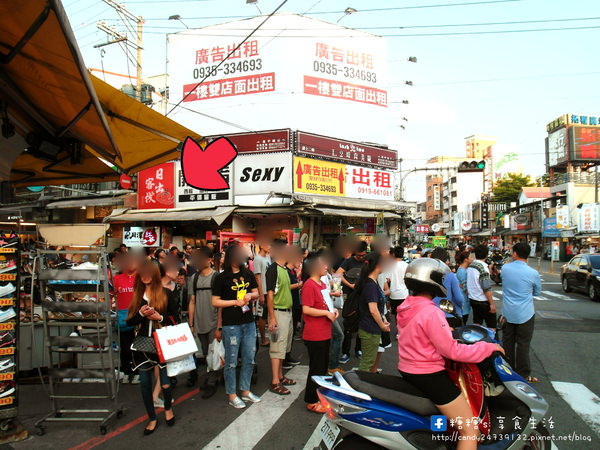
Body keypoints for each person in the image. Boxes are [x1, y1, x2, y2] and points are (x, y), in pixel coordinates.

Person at [397, 258, 504, 450]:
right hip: (429, 375)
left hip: (408, 370)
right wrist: (487, 348)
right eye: (440, 277)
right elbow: (452, 350)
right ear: (432, 280)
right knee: (470, 430)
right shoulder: (430, 312)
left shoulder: (406, 306)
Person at [126, 260, 179, 435]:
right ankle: (152, 418)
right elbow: (129, 322)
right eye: (143, 272)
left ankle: (168, 408)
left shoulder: (166, 294)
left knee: (165, 382)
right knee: (145, 385)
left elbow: (175, 319)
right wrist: (141, 314)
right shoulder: (137, 295)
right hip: (141, 344)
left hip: (162, 342)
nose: (145, 275)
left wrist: (159, 317)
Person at [212, 245, 261, 409]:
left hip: (248, 322)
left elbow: (256, 293)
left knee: (249, 358)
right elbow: (215, 301)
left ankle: (245, 391)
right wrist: (234, 302)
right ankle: (232, 394)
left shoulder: (248, 273)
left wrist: (250, 295)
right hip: (230, 324)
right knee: (231, 361)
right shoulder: (221, 278)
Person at [301, 253, 338, 413]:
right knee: (316, 368)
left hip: (324, 331)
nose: (326, 267)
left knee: (322, 367)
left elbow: (323, 303)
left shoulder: (321, 284)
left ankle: (319, 396)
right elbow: (306, 309)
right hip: (315, 333)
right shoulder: (309, 284)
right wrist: (326, 314)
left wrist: (332, 310)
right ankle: (311, 400)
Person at [501, 242, 541, 383]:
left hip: (508, 313)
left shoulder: (505, 268)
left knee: (508, 342)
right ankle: (523, 375)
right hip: (526, 313)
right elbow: (537, 292)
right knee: (523, 344)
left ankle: (506, 370)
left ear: (515, 253)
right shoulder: (533, 273)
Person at [187, 247, 220, 396]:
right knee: (206, 352)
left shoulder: (216, 277)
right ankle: (211, 377)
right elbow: (192, 302)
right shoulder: (194, 279)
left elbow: (220, 304)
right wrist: (191, 324)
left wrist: (219, 325)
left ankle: (212, 381)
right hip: (200, 323)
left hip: (213, 322)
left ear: (209, 260)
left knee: (213, 353)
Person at [266, 240, 296, 395]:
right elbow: (269, 295)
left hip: (287, 312)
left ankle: (280, 376)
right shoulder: (273, 269)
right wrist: (272, 318)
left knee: (283, 346)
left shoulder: (284, 269)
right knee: (277, 347)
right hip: (278, 313)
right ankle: (275, 381)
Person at [355, 253, 390, 372]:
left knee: (369, 361)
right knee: (367, 363)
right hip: (369, 328)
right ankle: (359, 386)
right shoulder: (370, 285)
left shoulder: (371, 282)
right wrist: (382, 325)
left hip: (371, 327)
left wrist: (383, 320)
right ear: (377, 265)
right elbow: (373, 310)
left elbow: (377, 309)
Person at [336, 240, 368, 363]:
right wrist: (350, 285)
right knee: (348, 325)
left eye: (363, 255)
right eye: (358, 255)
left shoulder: (367, 260)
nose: (360, 257)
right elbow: (338, 274)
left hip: (363, 297)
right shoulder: (349, 261)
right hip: (350, 297)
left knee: (362, 324)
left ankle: (358, 349)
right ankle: (345, 352)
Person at [113, 254, 139, 384]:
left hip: (138, 316)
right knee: (124, 347)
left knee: (137, 346)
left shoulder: (140, 278)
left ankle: (137, 371)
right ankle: (126, 371)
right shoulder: (116, 279)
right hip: (122, 317)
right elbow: (110, 295)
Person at [431, 247, 464, 328]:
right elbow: (459, 298)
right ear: (445, 261)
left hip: (431, 314)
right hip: (448, 315)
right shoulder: (451, 276)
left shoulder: (428, 274)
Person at [467, 245, 497, 329]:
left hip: (473, 299)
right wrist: (492, 304)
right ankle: (492, 341)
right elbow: (486, 288)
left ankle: (476, 341)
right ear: (486, 255)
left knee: (477, 323)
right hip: (483, 300)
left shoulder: (471, 265)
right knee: (492, 326)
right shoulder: (483, 268)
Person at [285, 247, 302, 368]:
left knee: (291, 333)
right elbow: (286, 287)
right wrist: (299, 284)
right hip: (288, 304)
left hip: (295, 304)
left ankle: (288, 355)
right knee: (286, 334)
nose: (299, 262)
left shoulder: (293, 272)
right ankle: (285, 358)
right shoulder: (285, 271)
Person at [253, 242, 272, 347]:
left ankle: (268, 338)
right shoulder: (257, 259)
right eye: (268, 244)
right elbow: (258, 277)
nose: (269, 246)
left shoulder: (268, 257)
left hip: (269, 290)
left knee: (268, 314)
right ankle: (263, 339)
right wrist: (260, 294)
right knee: (262, 315)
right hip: (263, 290)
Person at [388, 246, 409, 316]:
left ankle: (397, 326)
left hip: (393, 294)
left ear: (393, 254)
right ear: (403, 254)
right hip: (404, 294)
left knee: (396, 315)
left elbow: (387, 279)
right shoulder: (407, 266)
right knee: (404, 315)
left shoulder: (389, 265)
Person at [455, 250, 473, 324]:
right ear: (466, 260)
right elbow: (465, 288)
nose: (472, 258)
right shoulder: (463, 271)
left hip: (463, 300)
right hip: (463, 301)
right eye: (470, 257)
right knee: (463, 322)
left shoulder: (463, 270)